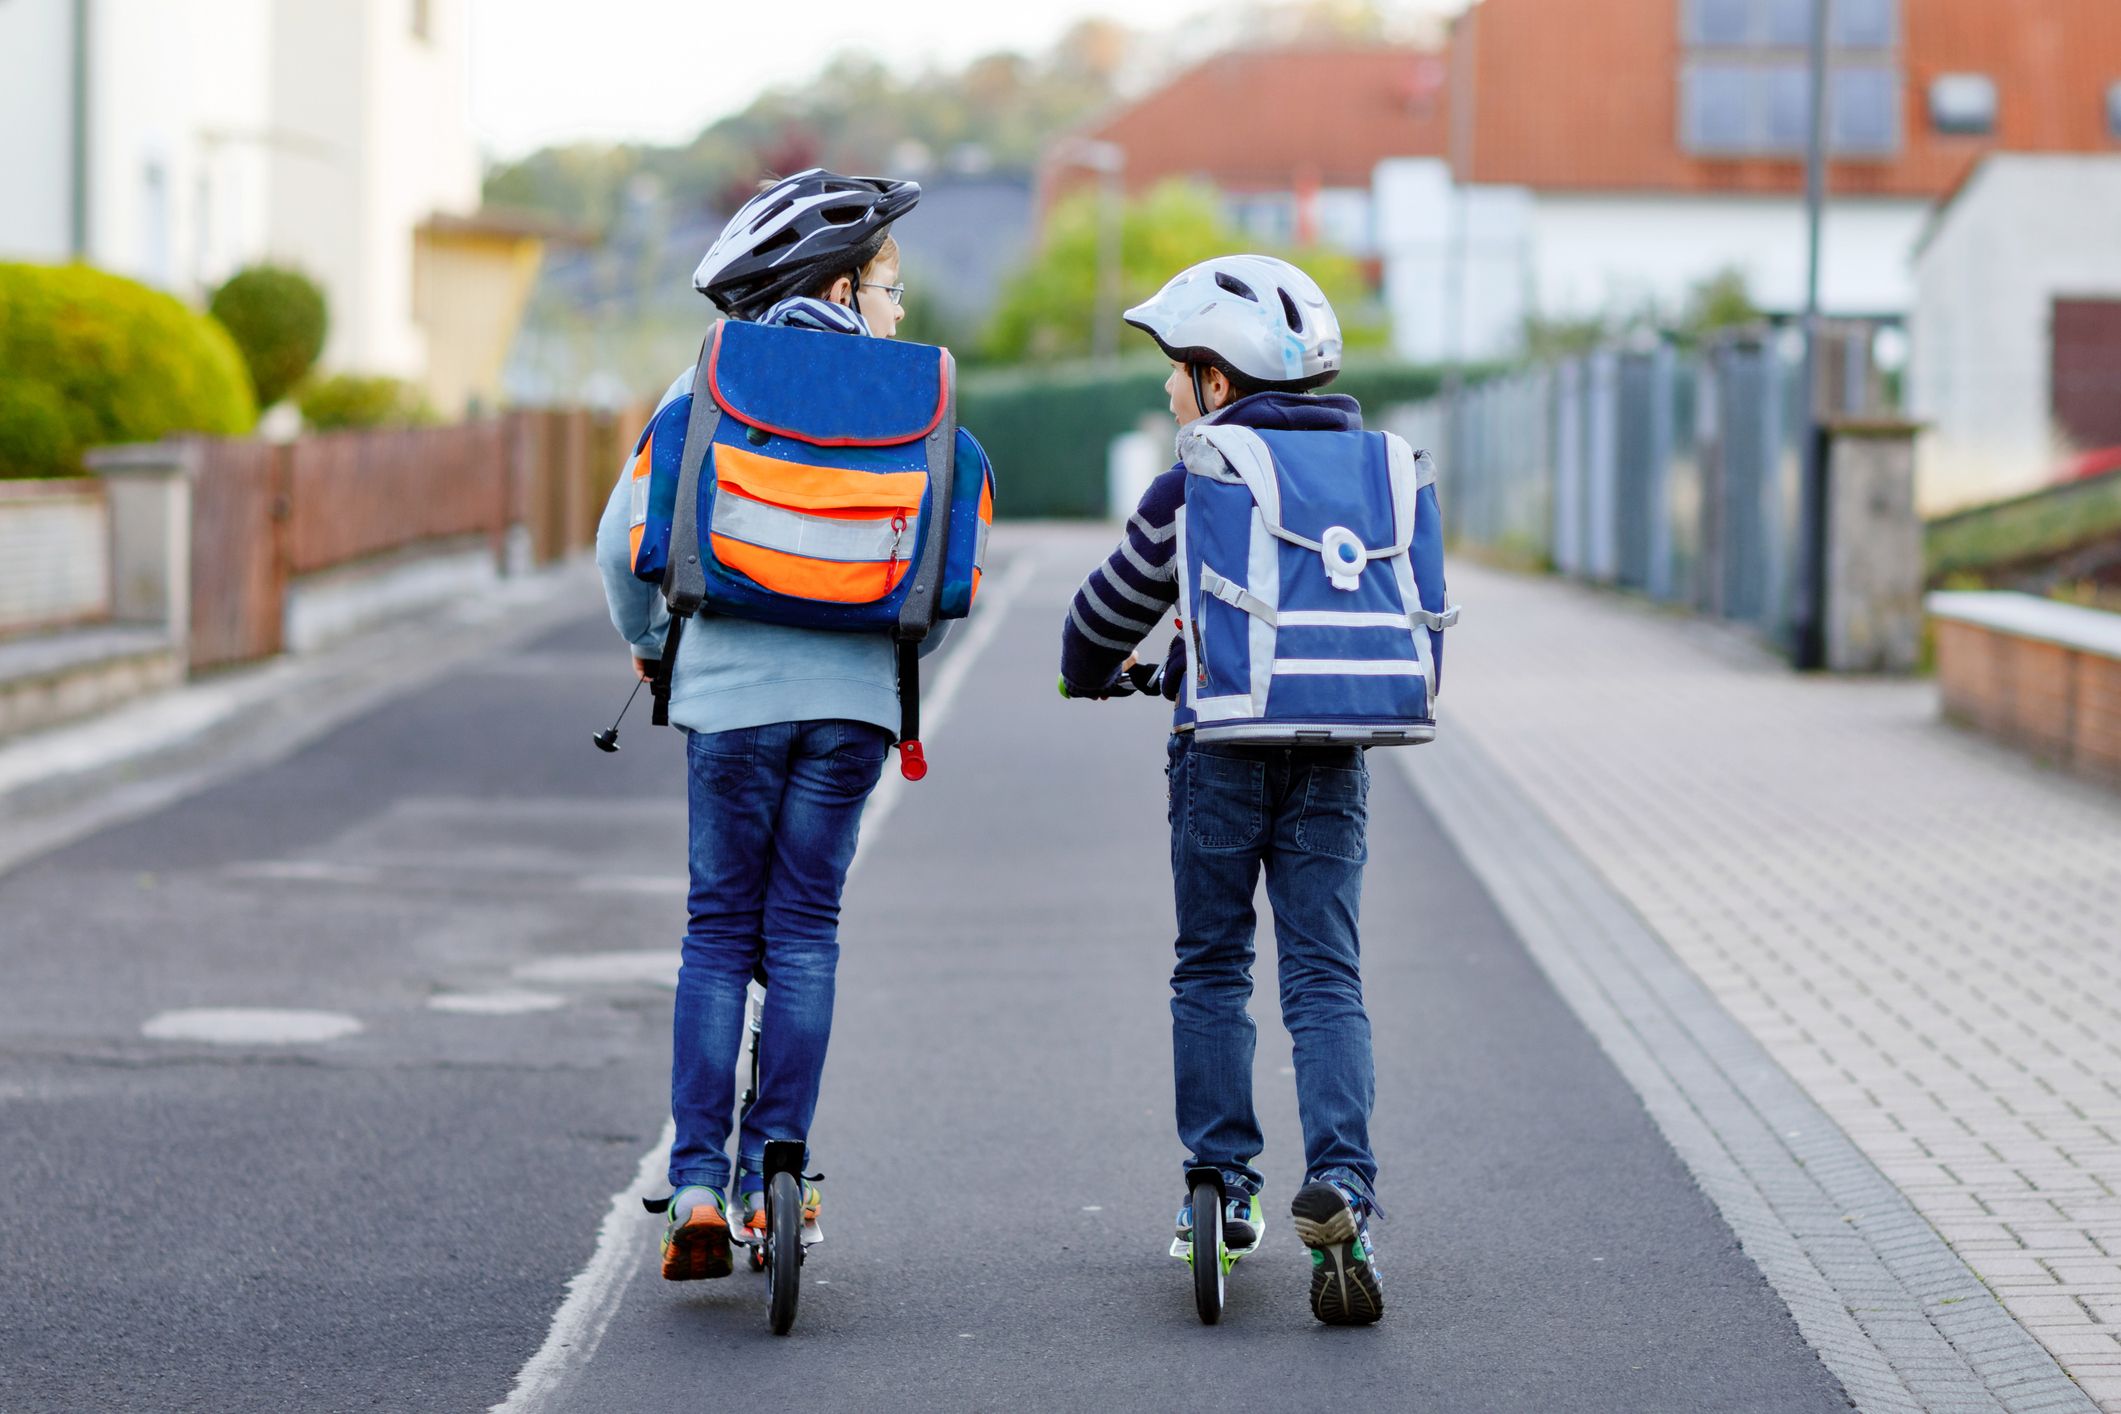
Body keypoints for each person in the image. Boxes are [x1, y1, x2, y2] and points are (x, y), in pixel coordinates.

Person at [595, 169, 918, 1282]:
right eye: (886, 282)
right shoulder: (905, 395)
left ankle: (693, 1179)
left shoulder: (709, 392)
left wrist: (650, 642)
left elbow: (619, 538)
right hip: (853, 708)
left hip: (730, 702)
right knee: (806, 930)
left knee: (719, 928)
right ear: (835, 283)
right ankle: (776, 1172)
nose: (899, 307)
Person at [1057, 255, 1386, 1325]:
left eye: (1176, 368)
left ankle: (1222, 1190)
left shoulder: (1199, 476)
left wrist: (1092, 671)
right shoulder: (1370, 467)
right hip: (1334, 746)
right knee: (1325, 975)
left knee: (1212, 965)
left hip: (1221, 747)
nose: (1166, 390)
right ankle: (1344, 1188)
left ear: (1216, 378)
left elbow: (1106, 611)